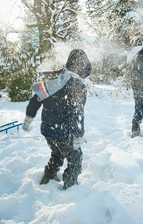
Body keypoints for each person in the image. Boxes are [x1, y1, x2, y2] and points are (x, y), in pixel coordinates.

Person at [22, 49, 92, 189]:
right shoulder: (77, 86)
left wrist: (28, 119)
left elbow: (35, 100)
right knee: (75, 159)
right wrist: (78, 136)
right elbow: (76, 114)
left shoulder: (54, 80)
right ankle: (70, 188)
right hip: (63, 133)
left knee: (57, 154)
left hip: (48, 131)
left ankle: (48, 178)